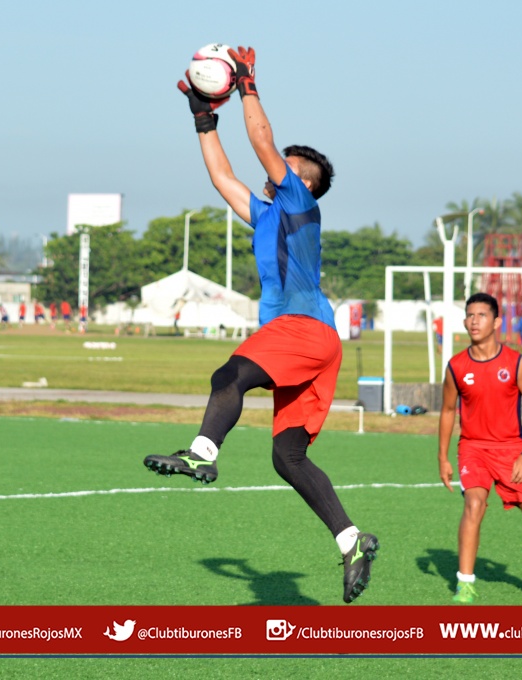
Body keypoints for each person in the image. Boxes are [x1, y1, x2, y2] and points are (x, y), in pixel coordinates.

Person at [144, 46, 379, 603]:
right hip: (316, 341)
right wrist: (204, 119)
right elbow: (222, 175)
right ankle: (351, 541)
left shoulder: (300, 205)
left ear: (308, 186)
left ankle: (203, 452)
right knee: (287, 457)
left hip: (301, 328)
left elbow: (262, 144)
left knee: (229, 377)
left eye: (297, 169)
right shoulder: (266, 211)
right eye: (287, 166)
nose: (284, 169)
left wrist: (248, 83)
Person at [437, 292, 522, 604]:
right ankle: (465, 583)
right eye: (470, 315)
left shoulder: (516, 363)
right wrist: (442, 456)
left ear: (496, 322)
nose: (474, 321)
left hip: (513, 449)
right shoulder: (456, 366)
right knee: (474, 505)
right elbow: (447, 411)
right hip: (473, 449)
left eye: (481, 315)